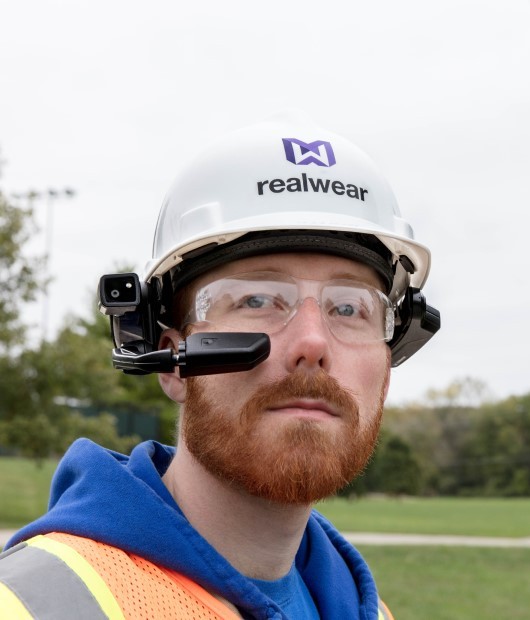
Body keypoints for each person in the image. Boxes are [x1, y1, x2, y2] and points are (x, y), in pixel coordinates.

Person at [0, 112, 440, 619]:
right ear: (172, 362)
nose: (313, 342)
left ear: (389, 360)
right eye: (257, 299)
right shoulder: (38, 605)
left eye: (350, 308)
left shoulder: (366, 609)